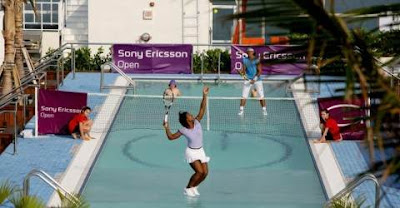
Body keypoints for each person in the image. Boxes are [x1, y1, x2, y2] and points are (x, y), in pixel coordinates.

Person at [163, 86, 210, 197]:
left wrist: (204, 95)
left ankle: (194, 187)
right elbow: (171, 137)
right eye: (189, 115)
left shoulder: (197, 122)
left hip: (200, 151)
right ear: (186, 120)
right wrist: (166, 127)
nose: (191, 115)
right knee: (199, 172)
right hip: (191, 152)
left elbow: (202, 109)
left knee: (205, 173)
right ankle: (188, 188)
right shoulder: (183, 130)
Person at [238, 48, 267, 116]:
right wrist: (241, 72)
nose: (249, 54)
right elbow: (244, 71)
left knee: (261, 96)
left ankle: (264, 110)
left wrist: (254, 79)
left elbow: (260, 71)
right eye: (248, 52)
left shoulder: (257, 60)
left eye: (250, 52)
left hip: (257, 80)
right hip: (248, 79)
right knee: (243, 96)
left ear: (252, 52)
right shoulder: (245, 60)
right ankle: (241, 110)